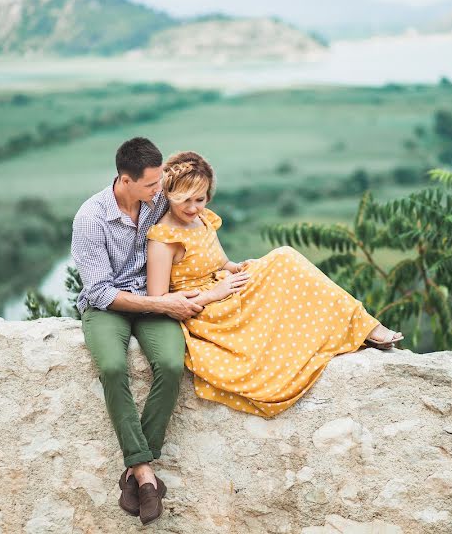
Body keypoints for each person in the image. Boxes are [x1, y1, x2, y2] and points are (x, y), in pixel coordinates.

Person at [145, 151, 403, 419]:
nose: (193, 207)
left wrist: (239, 267)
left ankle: (362, 324)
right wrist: (213, 294)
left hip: (226, 288)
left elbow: (221, 263)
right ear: (170, 194)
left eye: (200, 199)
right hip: (206, 312)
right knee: (284, 257)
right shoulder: (163, 240)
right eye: (185, 200)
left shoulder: (202, 219)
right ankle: (362, 327)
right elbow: (159, 301)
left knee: (284, 259)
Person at [71, 137, 203, 525]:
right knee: (112, 367)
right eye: (150, 184)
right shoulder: (90, 218)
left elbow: (195, 215)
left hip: (154, 298)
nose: (158, 190)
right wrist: (162, 304)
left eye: (159, 181)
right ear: (124, 180)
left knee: (171, 363)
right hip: (107, 306)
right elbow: (100, 292)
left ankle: (134, 469)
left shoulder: (159, 198)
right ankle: (144, 471)